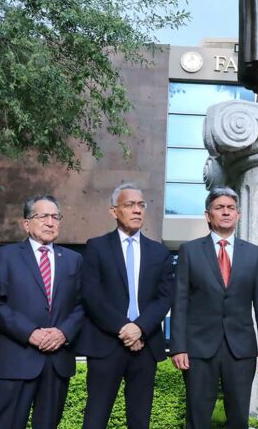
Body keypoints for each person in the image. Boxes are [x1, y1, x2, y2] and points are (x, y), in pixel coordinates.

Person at [170, 187, 258, 429]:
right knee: (197, 416)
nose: (226, 212)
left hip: (241, 349)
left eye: (231, 208)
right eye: (219, 208)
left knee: (238, 417)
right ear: (208, 215)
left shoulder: (253, 254)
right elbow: (180, 301)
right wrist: (178, 346)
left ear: (238, 215)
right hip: (198, 348)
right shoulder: (190, 251)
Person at [77, 183, 176, 429]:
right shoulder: (96, 247)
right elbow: (91, 295)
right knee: (95, 418)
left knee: (140, 420)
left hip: (145, 347)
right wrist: (125, 328)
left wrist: (140, 328)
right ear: (114, 211)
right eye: (129, 204)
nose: (137, 210)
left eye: (141, 204)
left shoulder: (160, 252)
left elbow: (165, 297)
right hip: (106, 345)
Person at [0, 195, 84, 429]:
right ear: (26, 223)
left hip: (57, 360)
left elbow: (82, 305)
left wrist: (64, 332)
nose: (50, 222)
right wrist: (30, 333)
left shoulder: (74, 260)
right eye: (42, 216)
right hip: (17, 357)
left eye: (55, 217)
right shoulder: (5, 256)